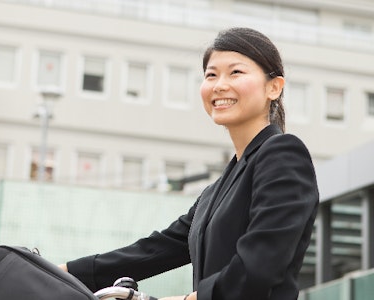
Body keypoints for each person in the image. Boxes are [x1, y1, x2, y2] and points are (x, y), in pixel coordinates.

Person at [60, 27, 319, 300]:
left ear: (274, 87)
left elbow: (260, 265)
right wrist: (61, 271)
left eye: (236, 72)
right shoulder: (216, 191)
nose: (219, 85)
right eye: (211, 74)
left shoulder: (283, 154)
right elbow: (155, 250)